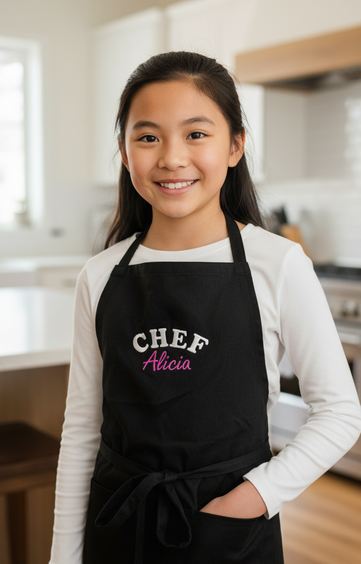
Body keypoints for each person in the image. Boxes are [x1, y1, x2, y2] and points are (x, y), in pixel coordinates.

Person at [49, 52, 361, 564]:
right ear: (125, 154)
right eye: (148, 137)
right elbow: (83, 429)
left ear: (235, 146)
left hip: (229, 530)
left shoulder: (277, 263)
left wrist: (254, 497)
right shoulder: (100, 275)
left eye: (196, 134)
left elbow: (339, 413)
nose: (171, 157)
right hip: (119, 521)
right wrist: (63, 556)